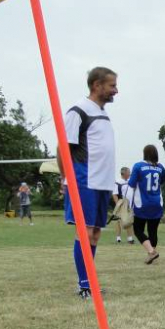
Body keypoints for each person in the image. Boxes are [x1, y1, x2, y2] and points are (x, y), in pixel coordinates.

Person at [58, 66, 118, 299]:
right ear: (97, 85)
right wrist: (66, 178)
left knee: (95, 233)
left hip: (102, 182)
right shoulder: (78, 111)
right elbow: (63, 148)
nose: (116, 90)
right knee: (85, 231)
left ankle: (89, 281)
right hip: (85, 180)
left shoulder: (102, 113)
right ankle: (84, 284)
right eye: (112, 85)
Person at [127, 145, 165, 264]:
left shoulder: (138, 166)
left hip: (142, 203)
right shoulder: (160, 167)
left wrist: (128, 204)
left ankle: (151, 252)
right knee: (153, 230)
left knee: (138, 229)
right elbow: (163, 181)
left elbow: (131, 185)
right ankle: (152, 253)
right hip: (157, 202)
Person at [113, 167, 135, 244]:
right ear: (124, 173)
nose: (130, 173)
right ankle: (118, 237)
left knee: (129, 220)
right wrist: (118, 205)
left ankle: (130, 238)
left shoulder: (130, 181)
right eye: (129, 172)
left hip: (131, 204)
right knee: (119, 221)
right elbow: (115, 194)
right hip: (122, 204)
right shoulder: (118, 182)